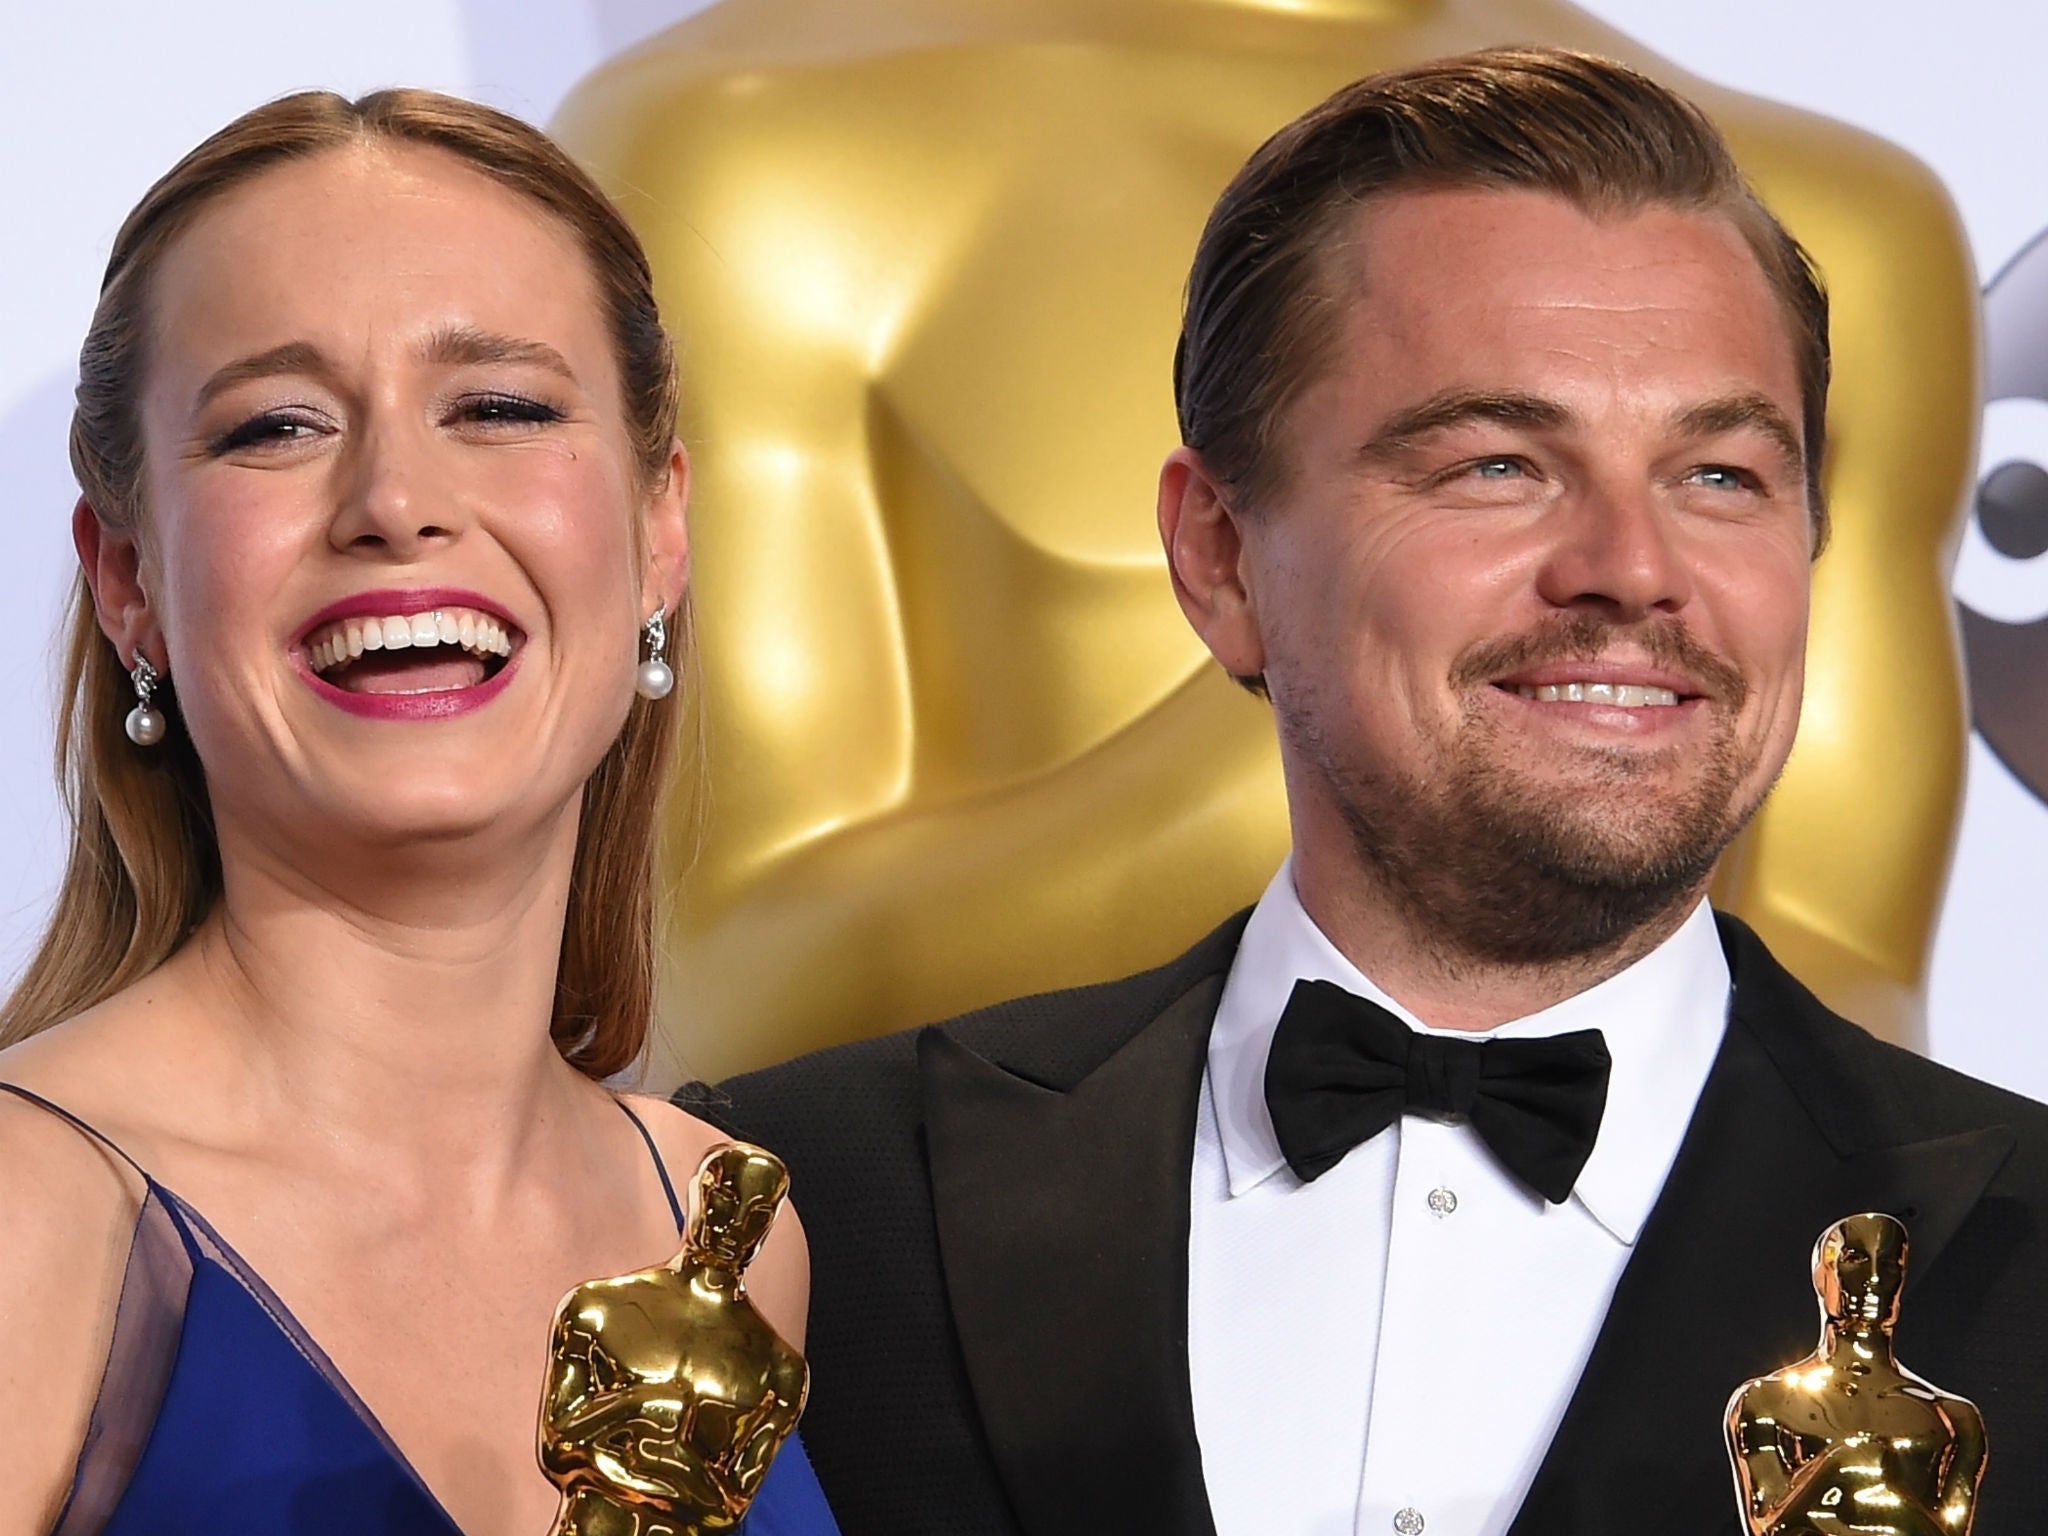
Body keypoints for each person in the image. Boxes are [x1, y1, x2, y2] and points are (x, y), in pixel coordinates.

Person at [687, 47, 2048, 1536]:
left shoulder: (2029, 1254)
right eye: (1497, 464)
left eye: (1720, 475)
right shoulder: (807, 1212)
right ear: (1219, 558)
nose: (1634, 568)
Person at [0, 91, 837, 1536]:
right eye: (275, 425)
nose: (394, 498)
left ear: (658, 532)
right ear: (128, 579)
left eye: (501, 408)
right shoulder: (27, 1220)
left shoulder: (719, 1226)